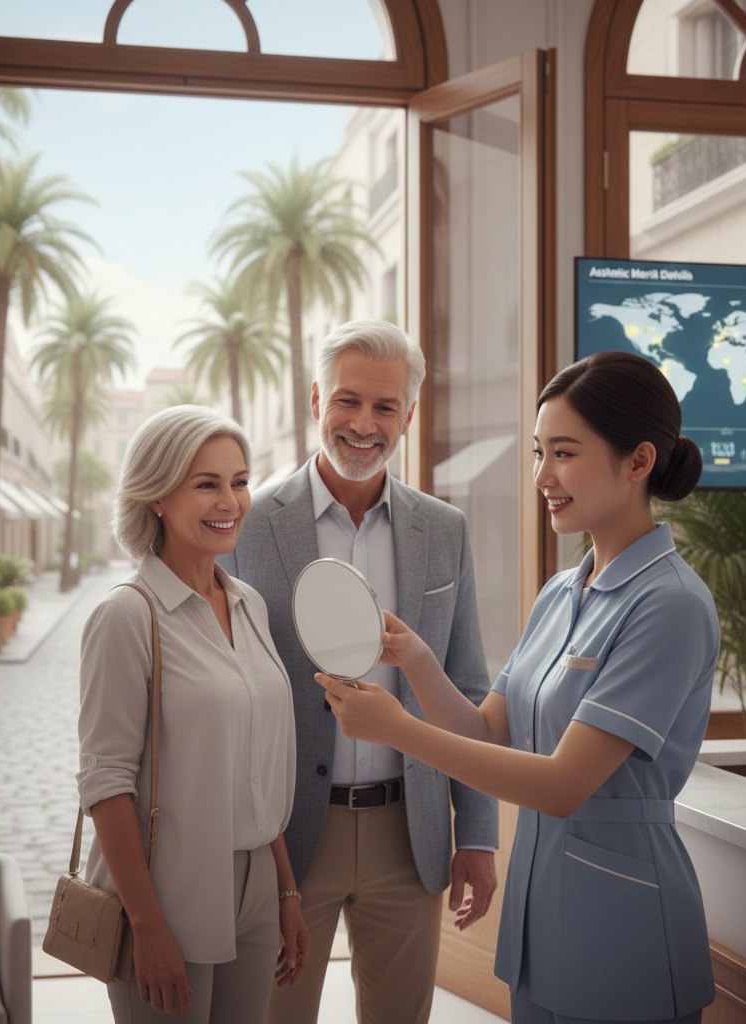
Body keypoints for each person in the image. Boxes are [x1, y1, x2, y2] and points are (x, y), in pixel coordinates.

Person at [319, 351, 720, 1024]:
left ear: (640, 460)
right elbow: (486, 732)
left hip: (625, 924)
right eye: (538, 452)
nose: (542, 476)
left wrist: (398, 731)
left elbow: (563, 785)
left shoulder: (671, 604)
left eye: (564, 453)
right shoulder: (564, 592)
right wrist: (417, 660)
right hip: (541, 916)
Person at [218, 318, 498, 1024]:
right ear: (316, 400)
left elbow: (468, 686)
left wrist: (478, 835)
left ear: (409, 413)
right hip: (283, 837)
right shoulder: (246, 526)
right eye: (347, 401)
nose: (364, 424)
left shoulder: (445, 530)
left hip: (413, 833)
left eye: (384, 406)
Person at [77, 405, 307, 1023]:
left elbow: (257, 759)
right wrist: (146, 925)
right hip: (166, 889)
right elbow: (105, 784)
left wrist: (284, 888)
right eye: (205, 483)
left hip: (256, 880)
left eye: (238, 480)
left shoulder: (250, 604)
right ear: (155, 497)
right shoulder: (126, 616)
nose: (229, 500)